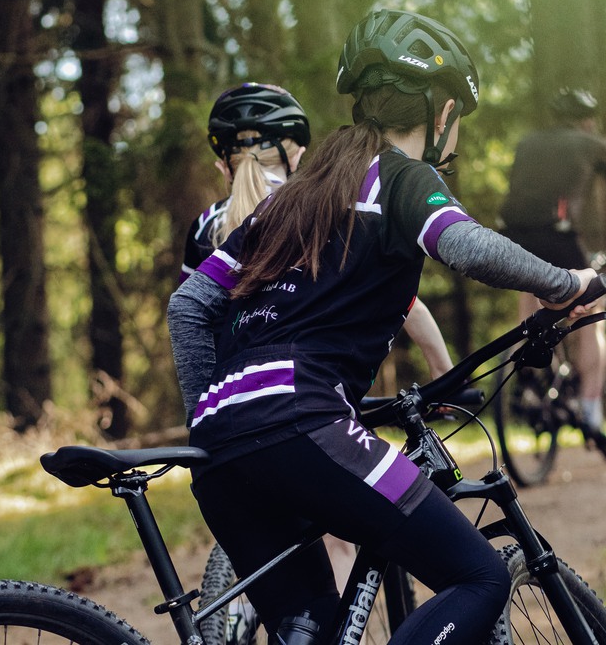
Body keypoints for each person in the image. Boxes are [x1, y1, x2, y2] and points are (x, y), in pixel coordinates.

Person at [168, 10, 598, 645]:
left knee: (306, 627)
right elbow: (466, 247)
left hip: (220, 451)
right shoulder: (399, 175)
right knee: (479, 576)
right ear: (442, 109)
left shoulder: (295, 191)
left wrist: (211, 415)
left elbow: (188, 307)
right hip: (304, 419)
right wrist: (566, 284)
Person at [188, 81, 456, 592]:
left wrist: (201, 406)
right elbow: (399, 303)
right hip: (301, 400)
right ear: (296, 151)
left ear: (223, 160)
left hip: (228, 417)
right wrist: (442, 370)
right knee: (343, 525)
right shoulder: (304, 202)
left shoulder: (205, 227)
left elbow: (192, 311)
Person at [499, 88, 606, 438]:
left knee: (529, 297)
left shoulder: (528, 143)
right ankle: (591, 411)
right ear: (587, 120)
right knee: (591, 310)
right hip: (557, 233)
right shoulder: (591, 143)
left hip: (511, 232)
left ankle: (527, 383)